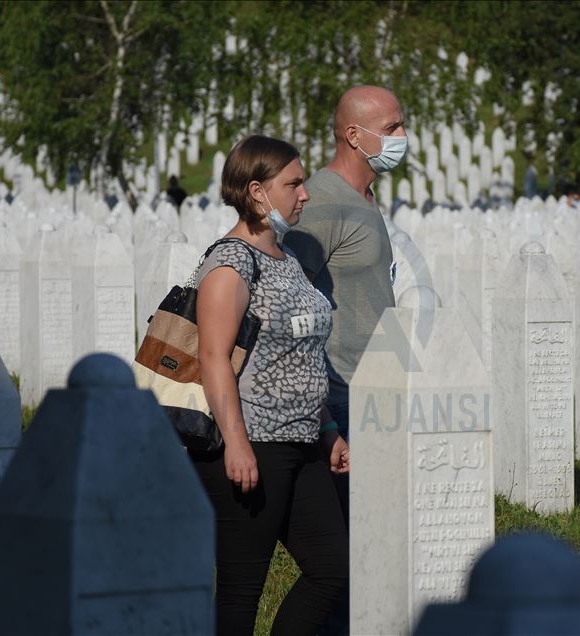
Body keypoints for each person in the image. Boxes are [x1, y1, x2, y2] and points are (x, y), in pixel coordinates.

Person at [191, 134, 349, 636]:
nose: (305, 194)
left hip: (303, 445)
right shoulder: (231, 264)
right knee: (241, 593)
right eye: (294, 183)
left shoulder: (287, 258)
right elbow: (212, 359)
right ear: (257, 191)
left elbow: (304, 355)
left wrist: (327, 428)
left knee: (333, 570)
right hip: (252, 446)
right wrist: (236, 444)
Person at [284, 85, 406, 636]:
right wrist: (326, 419)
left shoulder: (363, 197)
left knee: (374, 545)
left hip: (372, 389)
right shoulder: (324, 202)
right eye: (393, 126)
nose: (402, 137)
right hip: (342, 393)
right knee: (350, 558)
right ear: (355, 135)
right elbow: (292, 303)